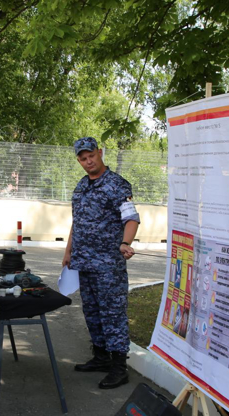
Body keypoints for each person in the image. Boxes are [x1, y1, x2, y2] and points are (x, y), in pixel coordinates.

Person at [62, 137, 140, 390]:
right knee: (92, 312)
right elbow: (78, 221)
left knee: (112, 313)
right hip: (84, 262)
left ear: (100, 152)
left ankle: (119, 368)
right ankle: (101, 357)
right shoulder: (82, 186)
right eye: (83, 159)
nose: (88, 162)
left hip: (108, 264)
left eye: (91, 156)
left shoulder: (117, 184)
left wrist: (125, 242)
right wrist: (68, 251)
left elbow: (131, 218)